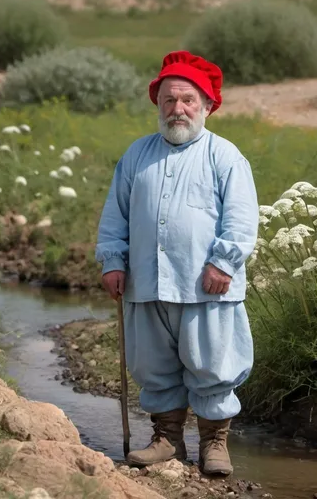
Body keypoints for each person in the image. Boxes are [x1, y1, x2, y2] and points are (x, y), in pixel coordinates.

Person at [96, 50, 259, 476]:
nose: (177, 109)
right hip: (146, 284)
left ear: (207, 105)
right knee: (153, 364)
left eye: (187, 99)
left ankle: (214, 443)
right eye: (169, 100)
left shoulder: (224, 156)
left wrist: (223, 263)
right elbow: (116, 215)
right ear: (158, 105)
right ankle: (167, 440)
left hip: (206, 285)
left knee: (212, 364)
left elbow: (241, 218)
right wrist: (113, 261)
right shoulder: (136, 155)